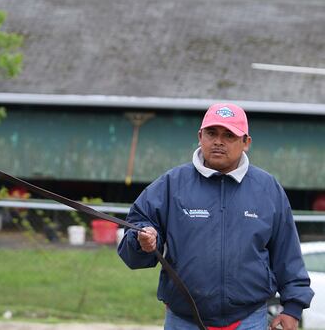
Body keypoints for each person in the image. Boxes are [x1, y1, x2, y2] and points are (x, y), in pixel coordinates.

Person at [118, 103, 313, 330]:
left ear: (246, 142)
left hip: (249, 320)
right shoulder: (172, 184)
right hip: (184, 320)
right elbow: (136, 232)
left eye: (229, 135)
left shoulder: (267, 188)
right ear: (200, 136)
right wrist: (143, 239)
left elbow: (287, 252)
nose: (218, 141)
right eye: (212, 133)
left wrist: (293, 307)